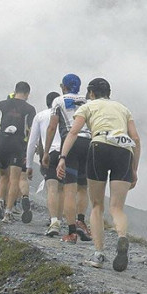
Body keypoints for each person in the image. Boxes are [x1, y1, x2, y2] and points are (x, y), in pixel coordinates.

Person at [56, 77, 140, 271]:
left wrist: (62, 157)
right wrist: (134, 169)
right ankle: (121, 237)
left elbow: (74, 132)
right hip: (124, 149)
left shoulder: (88, 106)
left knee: (97, 205)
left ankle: (99, 254)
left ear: (91, 93)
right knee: (117, 207)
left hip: (99, 145)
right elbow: (135, 138)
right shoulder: (123, 109)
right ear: (109, 92)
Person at [48, 73, 93, 243]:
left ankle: (71, 231)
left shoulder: (58, 101)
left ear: (64, 86)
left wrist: (46, 151)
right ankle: (81, 221)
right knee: (83, 187)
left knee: (69, 189)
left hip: (71, 142)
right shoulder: (87, 100)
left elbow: (52, 127)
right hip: (88, 142)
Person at [0, 82, 36, 223]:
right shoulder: (29, 109)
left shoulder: (2, 104)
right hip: (17, 143)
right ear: (27, 94)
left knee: (3, 176)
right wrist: (29, 147)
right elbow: (31, 130)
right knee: (14, 179)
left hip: (2, 142)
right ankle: (8, 213)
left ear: (15, 91)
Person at [28, 90, 65, 236]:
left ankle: (54, 220)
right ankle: (60, 221)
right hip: (65, 153)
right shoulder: (66, 114)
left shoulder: (40, 116)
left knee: (51, 188)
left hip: (50, 154)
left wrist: (29, 165)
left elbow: (32, 142)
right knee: (61, 189)